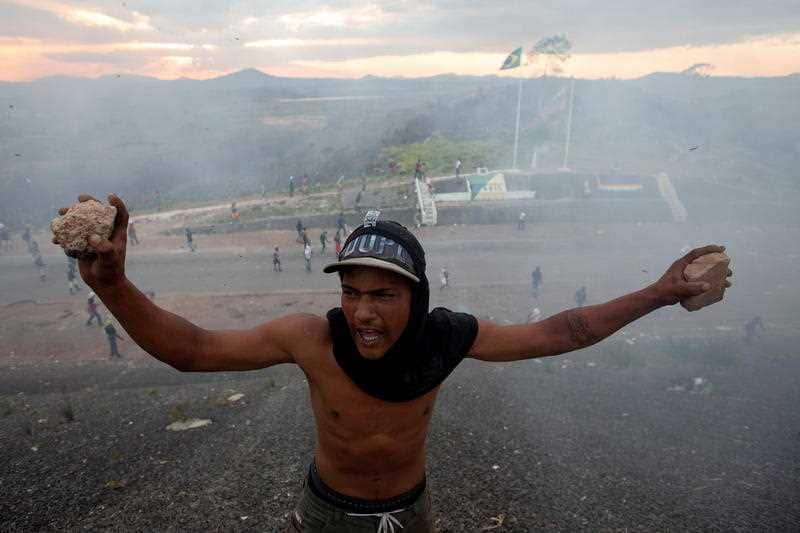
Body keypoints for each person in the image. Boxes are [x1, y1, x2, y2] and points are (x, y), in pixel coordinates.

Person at [61, 193, 732, 533]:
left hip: (410, 512)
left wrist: (662, 292)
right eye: (351, 292)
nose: (364, 313)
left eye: (383, 293)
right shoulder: (310, 339)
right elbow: (192, 350)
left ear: (417, 293)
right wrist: (112, 285)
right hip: (325, 509)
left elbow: (567, 329)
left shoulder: (448, 339)